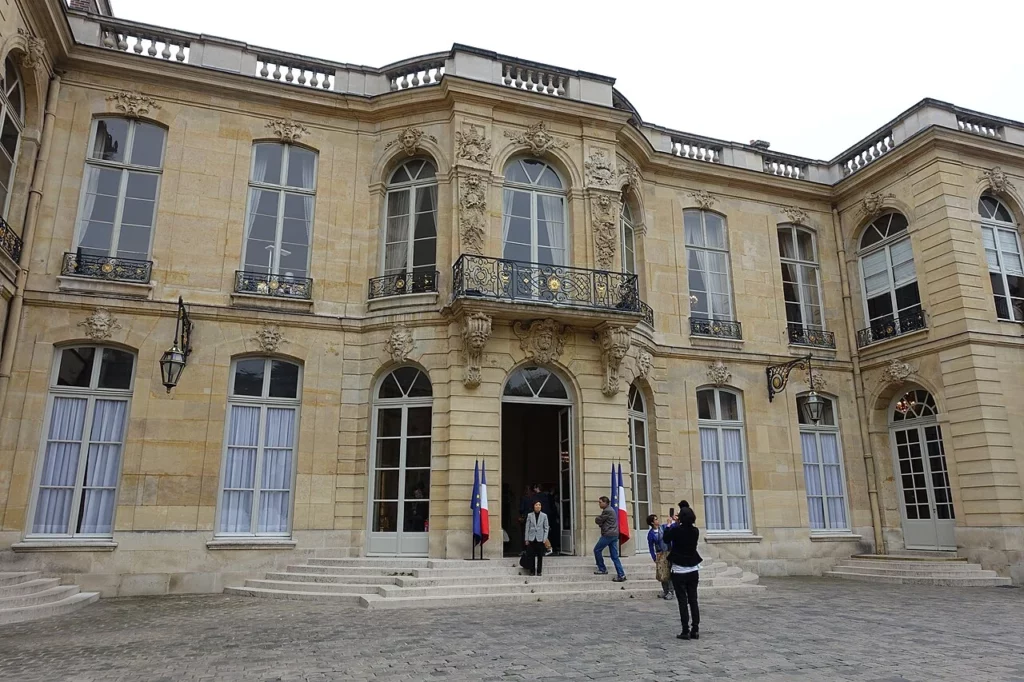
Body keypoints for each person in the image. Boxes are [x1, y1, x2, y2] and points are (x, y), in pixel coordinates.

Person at [663, 502, 702, 640]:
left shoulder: (675, 530)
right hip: (693, 568)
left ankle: (685, 630)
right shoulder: (695, 531)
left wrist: (669, 525)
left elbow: (666, 539)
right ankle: (695, 629)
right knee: (693, 599)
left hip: (679, 569)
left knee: (682, 600)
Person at [593, 496, 626, 582]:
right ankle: (621, 574)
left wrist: (598, 520)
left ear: (605, 502)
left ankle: (602, 568)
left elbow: (598, 520)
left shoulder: (607, 511)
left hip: (608, 534)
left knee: (597, 550)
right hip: (614, 534)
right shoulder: (610, 510)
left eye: (600, 502)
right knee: (615, 556)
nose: (599, 504)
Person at [646, 514, 673, 600]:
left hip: (668, 552)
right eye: (656, 519)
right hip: (660, 554)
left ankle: (670, 591)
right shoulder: (651, 534)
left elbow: (671, 527)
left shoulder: (663, 527)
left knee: (668, 573)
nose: (658, 520)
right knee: (662, 574)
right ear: (652, 522)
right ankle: (665, 591)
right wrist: (654, 557)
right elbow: (651, 547)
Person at [523, 500, 549, 576]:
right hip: (531, 538)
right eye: (536, 505)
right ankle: (532, 571)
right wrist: (526, 539)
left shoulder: (544, 516)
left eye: (539, 505)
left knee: (540, 556)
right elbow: (527, 527)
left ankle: (539, 571)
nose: (538, 506)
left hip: (540, 539)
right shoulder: (530, 515)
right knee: (531, 556)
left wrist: (544, 539)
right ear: (533, 506)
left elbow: (546, 528)